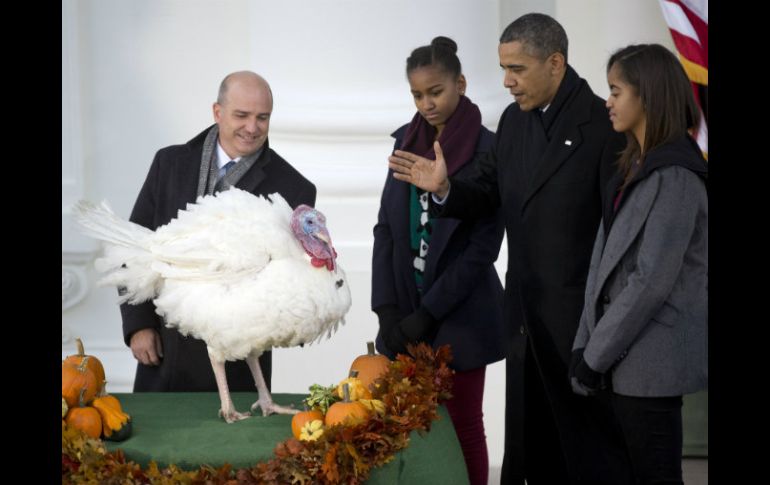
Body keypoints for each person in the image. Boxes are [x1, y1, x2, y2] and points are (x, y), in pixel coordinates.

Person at [388, 14, 632, 485]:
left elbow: (617, 233)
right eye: (503, 68)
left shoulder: (603, 127)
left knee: (587, 453)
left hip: (581, 328)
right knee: (532, 451)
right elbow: (483, 190)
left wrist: (605, 328)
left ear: (556, 63)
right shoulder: (515, 123)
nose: (507, 81)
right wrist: (444, 189)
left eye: (517, 69)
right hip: (524, 322)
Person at [121, 71, 317, 394]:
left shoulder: (293, 189)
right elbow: (134, 244)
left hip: (239, 369)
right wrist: (138, 324)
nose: (252, 128)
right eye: (242, 115)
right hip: (163, 355)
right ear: (217, 112)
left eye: (262, 118)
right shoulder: (168, 164)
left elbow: (291, 283)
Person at [570, 43, 708, 485]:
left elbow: (651, 281)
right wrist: (583, 345)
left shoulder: (678, 177)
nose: (607, 101)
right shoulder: (632, 166)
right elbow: (603, 264)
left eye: (616, 91)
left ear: (646, 96)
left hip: (651, 366)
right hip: (619, 360)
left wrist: (595, 355)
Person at [371, 36, 506, 485]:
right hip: (407, 312)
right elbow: (386, 230)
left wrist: (430, 314)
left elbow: (482, 248)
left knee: (463, 424)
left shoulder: (489, 150)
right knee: (408, 424)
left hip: (461, 315)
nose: (426, 104)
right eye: (417, 95)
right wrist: (389, 310)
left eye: (436, 92)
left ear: (461, 84)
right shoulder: (404, 144)